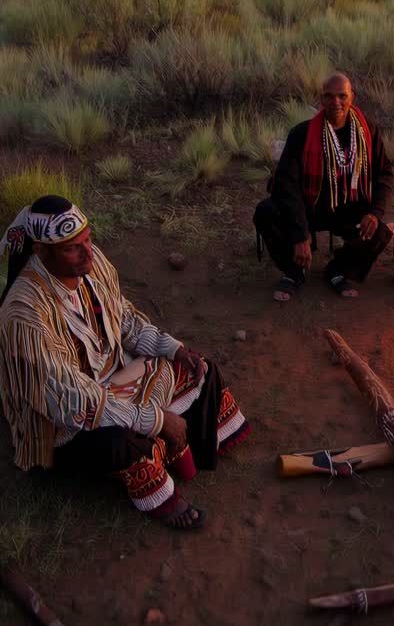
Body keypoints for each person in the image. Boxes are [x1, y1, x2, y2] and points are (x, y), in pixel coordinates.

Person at [0, 195, 250, 528]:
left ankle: (188, 444)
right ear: (42, 253)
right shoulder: (24, 314)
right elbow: (70, 401)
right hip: (62, 420)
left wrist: (173, 349)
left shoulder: (91, 264)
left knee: (196, 368)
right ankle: (161, 487)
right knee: (116, 439)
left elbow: (126, 322)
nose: (88, 252)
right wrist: (157, 419)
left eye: (88, 240)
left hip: (113, 380)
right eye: (73, 248)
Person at [254, 72, 393, 301]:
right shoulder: (302, 134)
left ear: (352, 97)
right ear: (321, 99)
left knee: (378, 231)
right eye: (329, 96)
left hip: (350, 207)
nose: (335, 102)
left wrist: (375, 213)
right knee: (266, 212)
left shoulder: (368, 130)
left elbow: (384, 173)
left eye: (342, 96)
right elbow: (286, 186)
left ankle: (338, 269)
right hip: (311, 206)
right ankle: (294, 270)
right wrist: (300, 234)